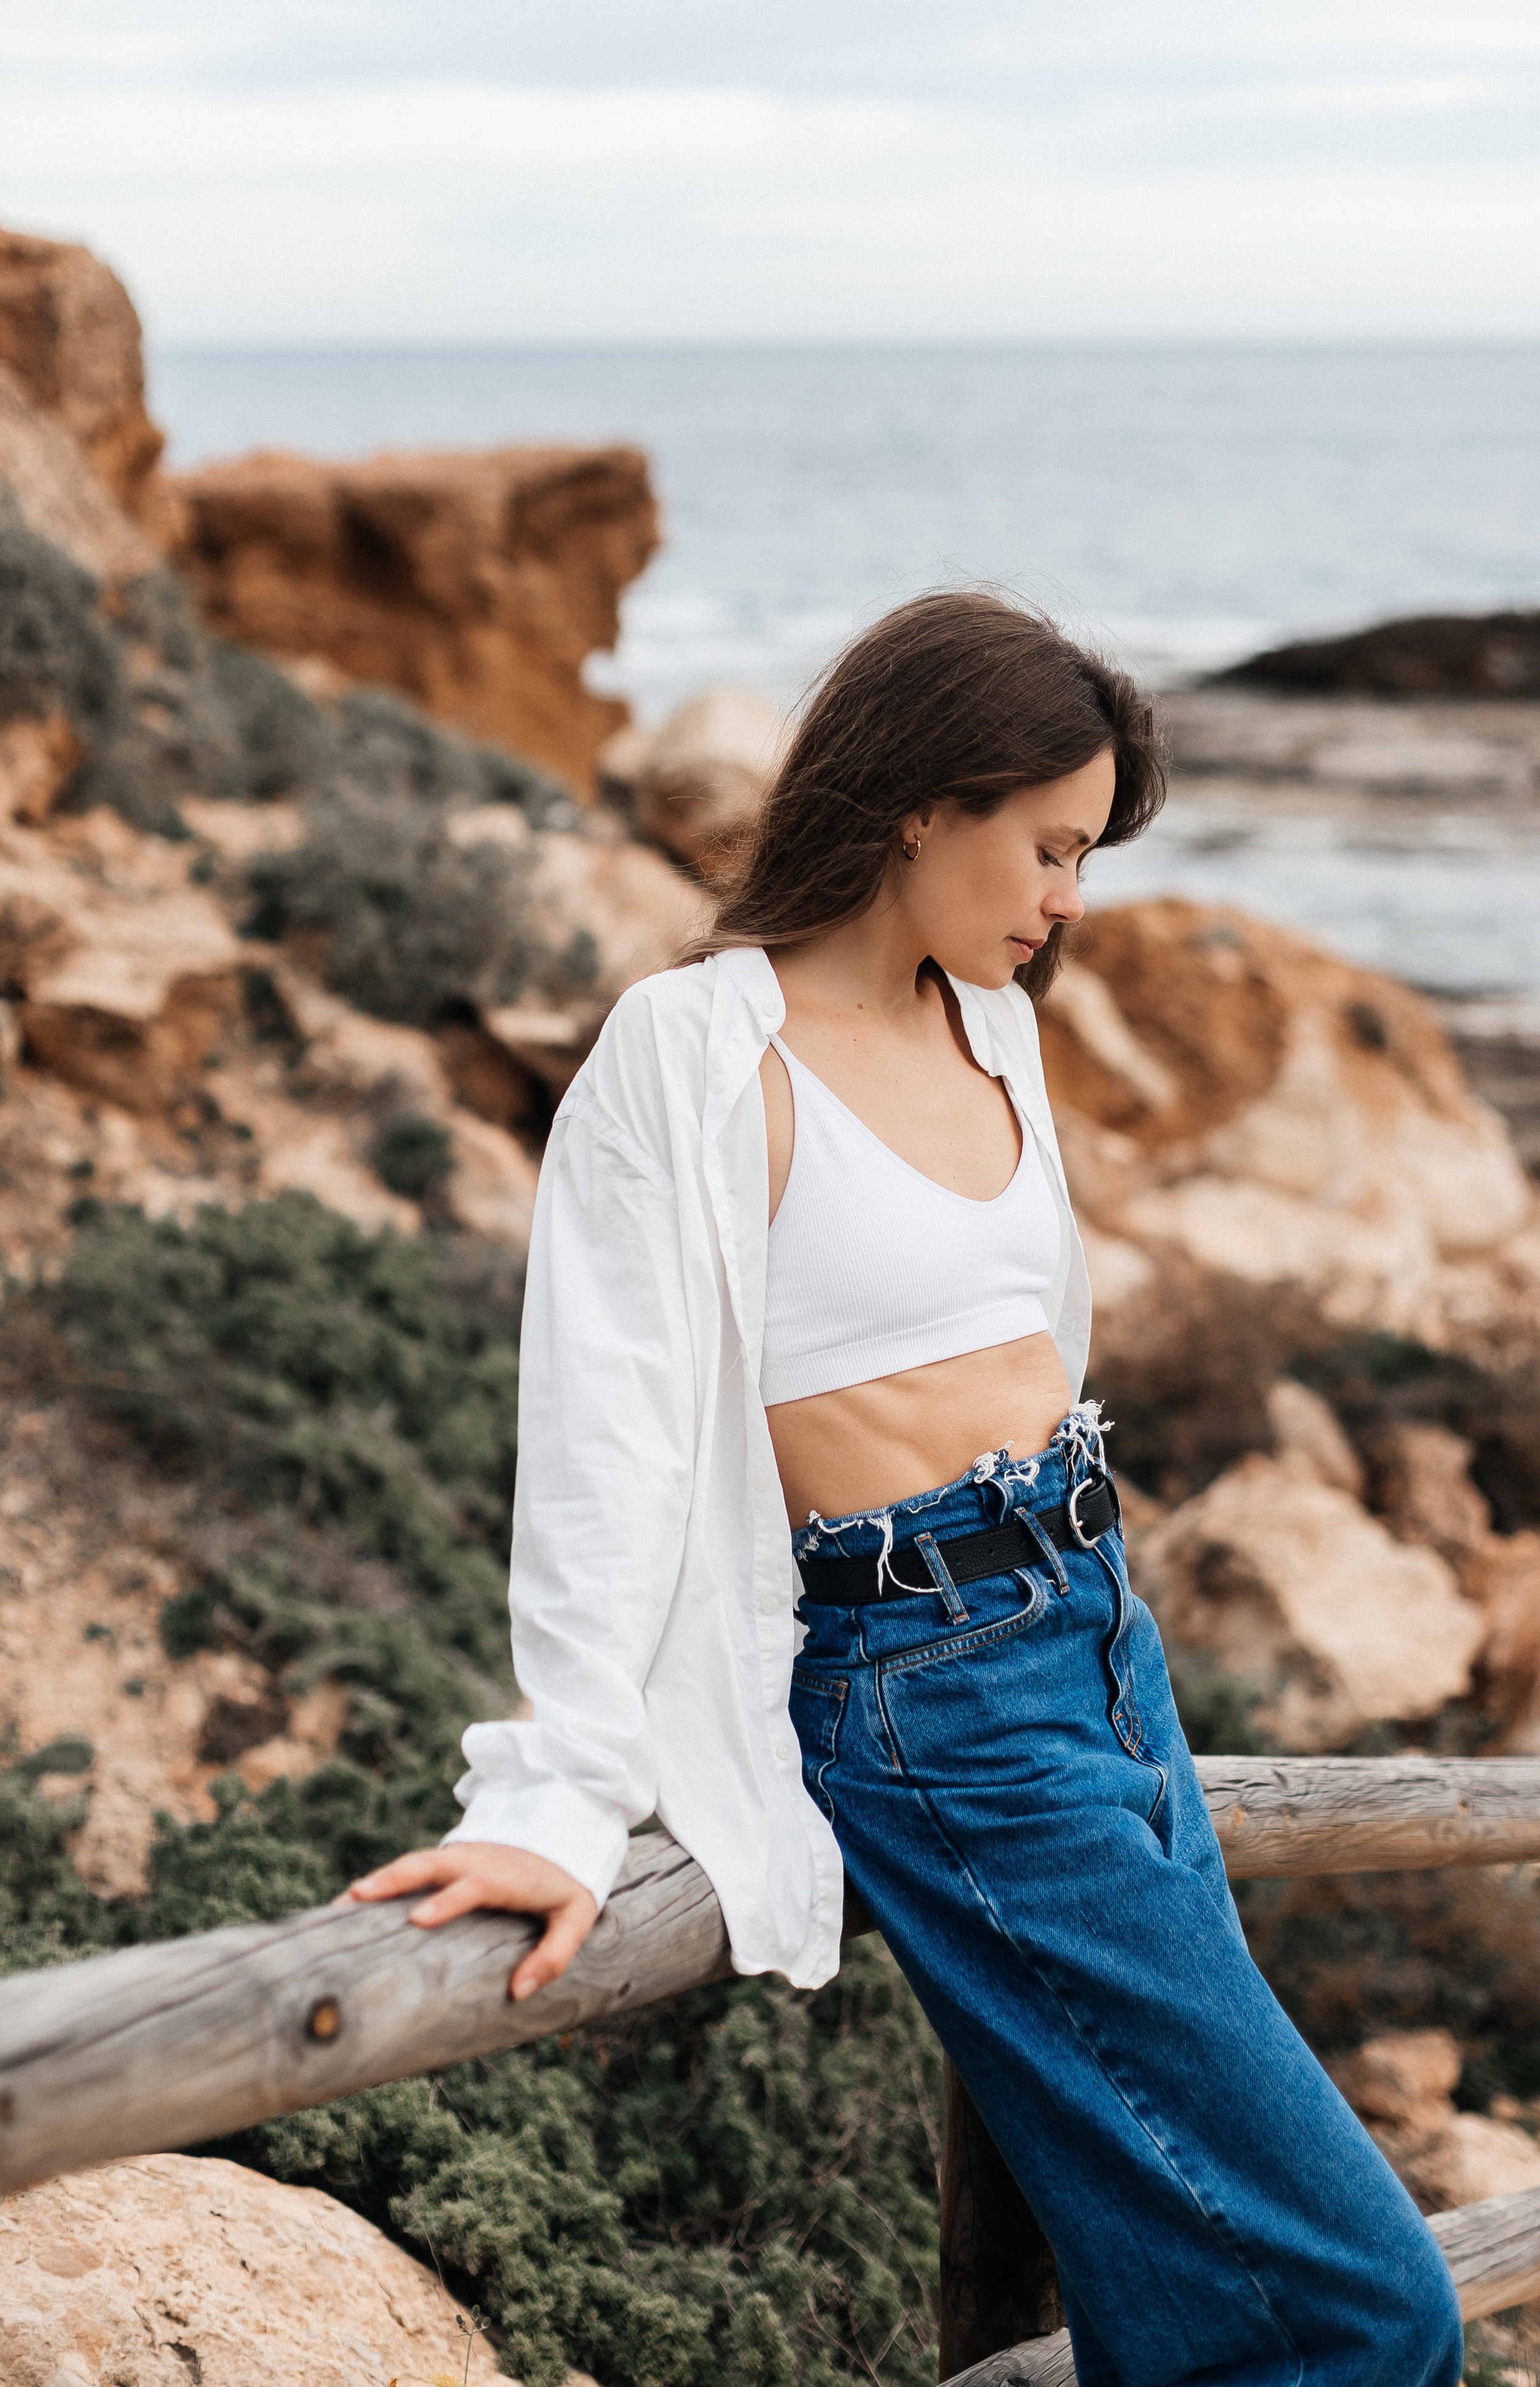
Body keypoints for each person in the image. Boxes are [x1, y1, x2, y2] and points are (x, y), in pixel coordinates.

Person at [346, 594, 1463, 2386]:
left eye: (1084, 859)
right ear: (919, 805)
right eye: (1047, 846)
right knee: (1366, 2304)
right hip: (939, 1694)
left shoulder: (995, 1028)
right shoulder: (697, 1055)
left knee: (1183, 2300)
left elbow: (1031, 1343)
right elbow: (606, 1443)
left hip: (1105, 1638)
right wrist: (559, 1793)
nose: (1065, 902)